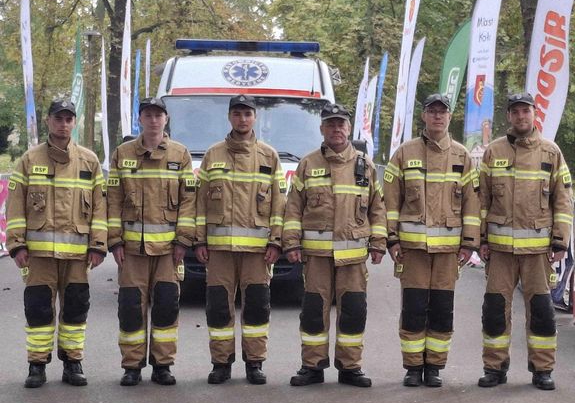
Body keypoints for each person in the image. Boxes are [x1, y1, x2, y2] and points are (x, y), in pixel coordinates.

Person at [283, 103, 387, 387]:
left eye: (341, 124)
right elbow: (293, 207)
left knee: (353, 311)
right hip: (316, 257)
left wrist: (379, 242)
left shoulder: (365, 165)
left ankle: (350, 367)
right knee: (314, 312)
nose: (336, 129)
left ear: (349, 128)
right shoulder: (308, 164)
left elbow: (378, 208)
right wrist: (291, 242)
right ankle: (312, 366)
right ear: (322, 129)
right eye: (330, 124)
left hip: (353, 259)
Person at [6, 99, 107, 388]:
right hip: (39, 256)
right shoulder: (29, 160)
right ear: (48, 121)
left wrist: (98, 245)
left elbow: (100, 208)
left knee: (75, 309)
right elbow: (15, 206)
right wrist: (17, 245)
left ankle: (73, 363)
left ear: (74, 122)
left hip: (77, 257)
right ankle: (36, 365)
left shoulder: (89, 161)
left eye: (68, 119)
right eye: (58, 119)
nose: (63, 124)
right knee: (38, 309)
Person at [478, 93, 573, 390]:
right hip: (500, 252)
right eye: (516, 111)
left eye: (526, 111)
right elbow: (481, 200)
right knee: (495, 311)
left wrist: (560, 242)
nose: (521, 116)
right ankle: (494, 368)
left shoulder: (551, 152)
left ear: (534, 114)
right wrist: (481, 239)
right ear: (509, 116)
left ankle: (542, 369)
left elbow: (563, 200)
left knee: (541, 311)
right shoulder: (493, 152)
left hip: (538, 253)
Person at [383, 94, 480, 387]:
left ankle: (435, 367)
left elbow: (472, 205)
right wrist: (391, 239)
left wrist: (469, 243)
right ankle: (413, 367)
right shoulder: (404, 153)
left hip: (448, 253)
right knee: (413, 308)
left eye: (442, 112)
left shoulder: (462, 157)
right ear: (423, 116)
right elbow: (390, 201)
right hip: (412, 251)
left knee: (441, 309)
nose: (437, 116)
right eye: (432, 111)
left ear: (449, 117)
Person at [194, 95, 286, 385]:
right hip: (219, 250)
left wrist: (276, 242)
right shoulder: (213, 155)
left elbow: (279, 205)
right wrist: (199, 241)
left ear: (255, 117)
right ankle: (221, 363)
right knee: (219, 308)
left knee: (257, 307)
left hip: (258, 252)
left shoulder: (269, 156)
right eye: (237, 113)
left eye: (247, 114)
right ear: (229, 117)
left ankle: (254, 363)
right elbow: (199, 203)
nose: (242, 119)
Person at [107, 97, 196, 386]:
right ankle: (132, 366)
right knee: (131, 309)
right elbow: (113, 200)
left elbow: (189, 201)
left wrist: (183, 240)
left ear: (166, 119)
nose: (153, 120)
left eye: (158, 115)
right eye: (148, 115)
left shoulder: (180, 154)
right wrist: (114, 241)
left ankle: (162, 365)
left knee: (166, 307)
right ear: (140, 119)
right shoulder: (122, 154)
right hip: (132, 251)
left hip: (169, 252)